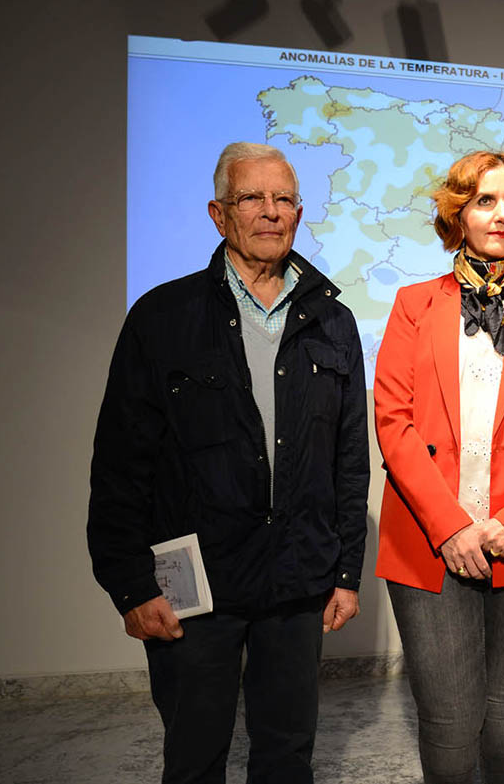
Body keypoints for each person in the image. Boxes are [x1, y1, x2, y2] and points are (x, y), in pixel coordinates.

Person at [87, 142, 369, 784]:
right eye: (252, 198)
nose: (270, 213)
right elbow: (120, 462)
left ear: (299, 212)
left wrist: (346, 571)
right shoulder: (163, 317)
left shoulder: (333, 320)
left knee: (286, 759)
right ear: (220, 215)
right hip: (194, 587)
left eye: (284, 199)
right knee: (194, 760)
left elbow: (349, 460)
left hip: (298, 582)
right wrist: (130, 585)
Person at [373, 150, 504, 784]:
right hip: (428, 535)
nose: (501, 214)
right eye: (485, 201)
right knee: (446, 714)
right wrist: (451, 526)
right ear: (458, 213)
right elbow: (394, 422)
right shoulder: (413, 304)